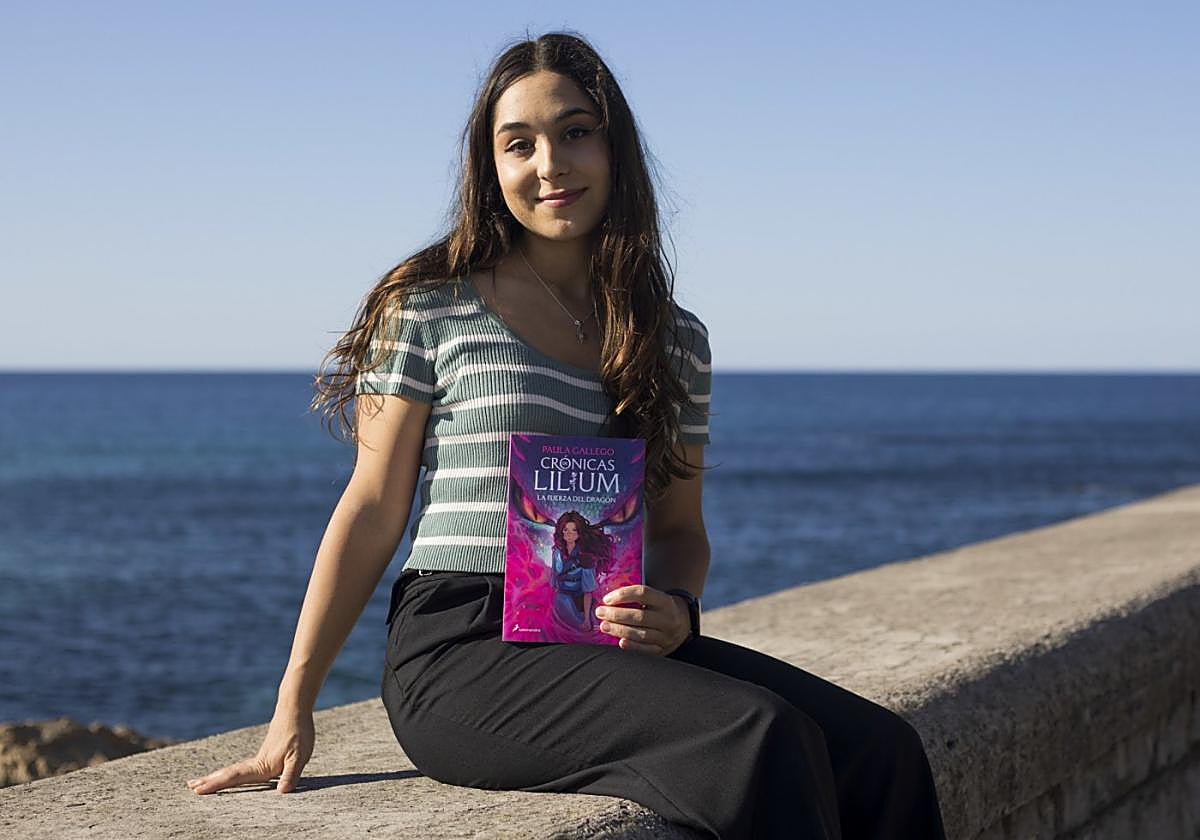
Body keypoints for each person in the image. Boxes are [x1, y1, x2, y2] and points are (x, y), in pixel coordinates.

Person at [185, 30, 949, 840]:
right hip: (461, 650)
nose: (550, 164)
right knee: (761, 738)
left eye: (576, 132)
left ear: (614, 148)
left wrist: (680, 610)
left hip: (601, 633)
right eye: (520, 144)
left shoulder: (675, 340)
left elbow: (682, 531)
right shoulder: (429, 304)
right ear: (493, 169)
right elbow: (372, 508)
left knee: (880, 751)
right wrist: (292, 705)